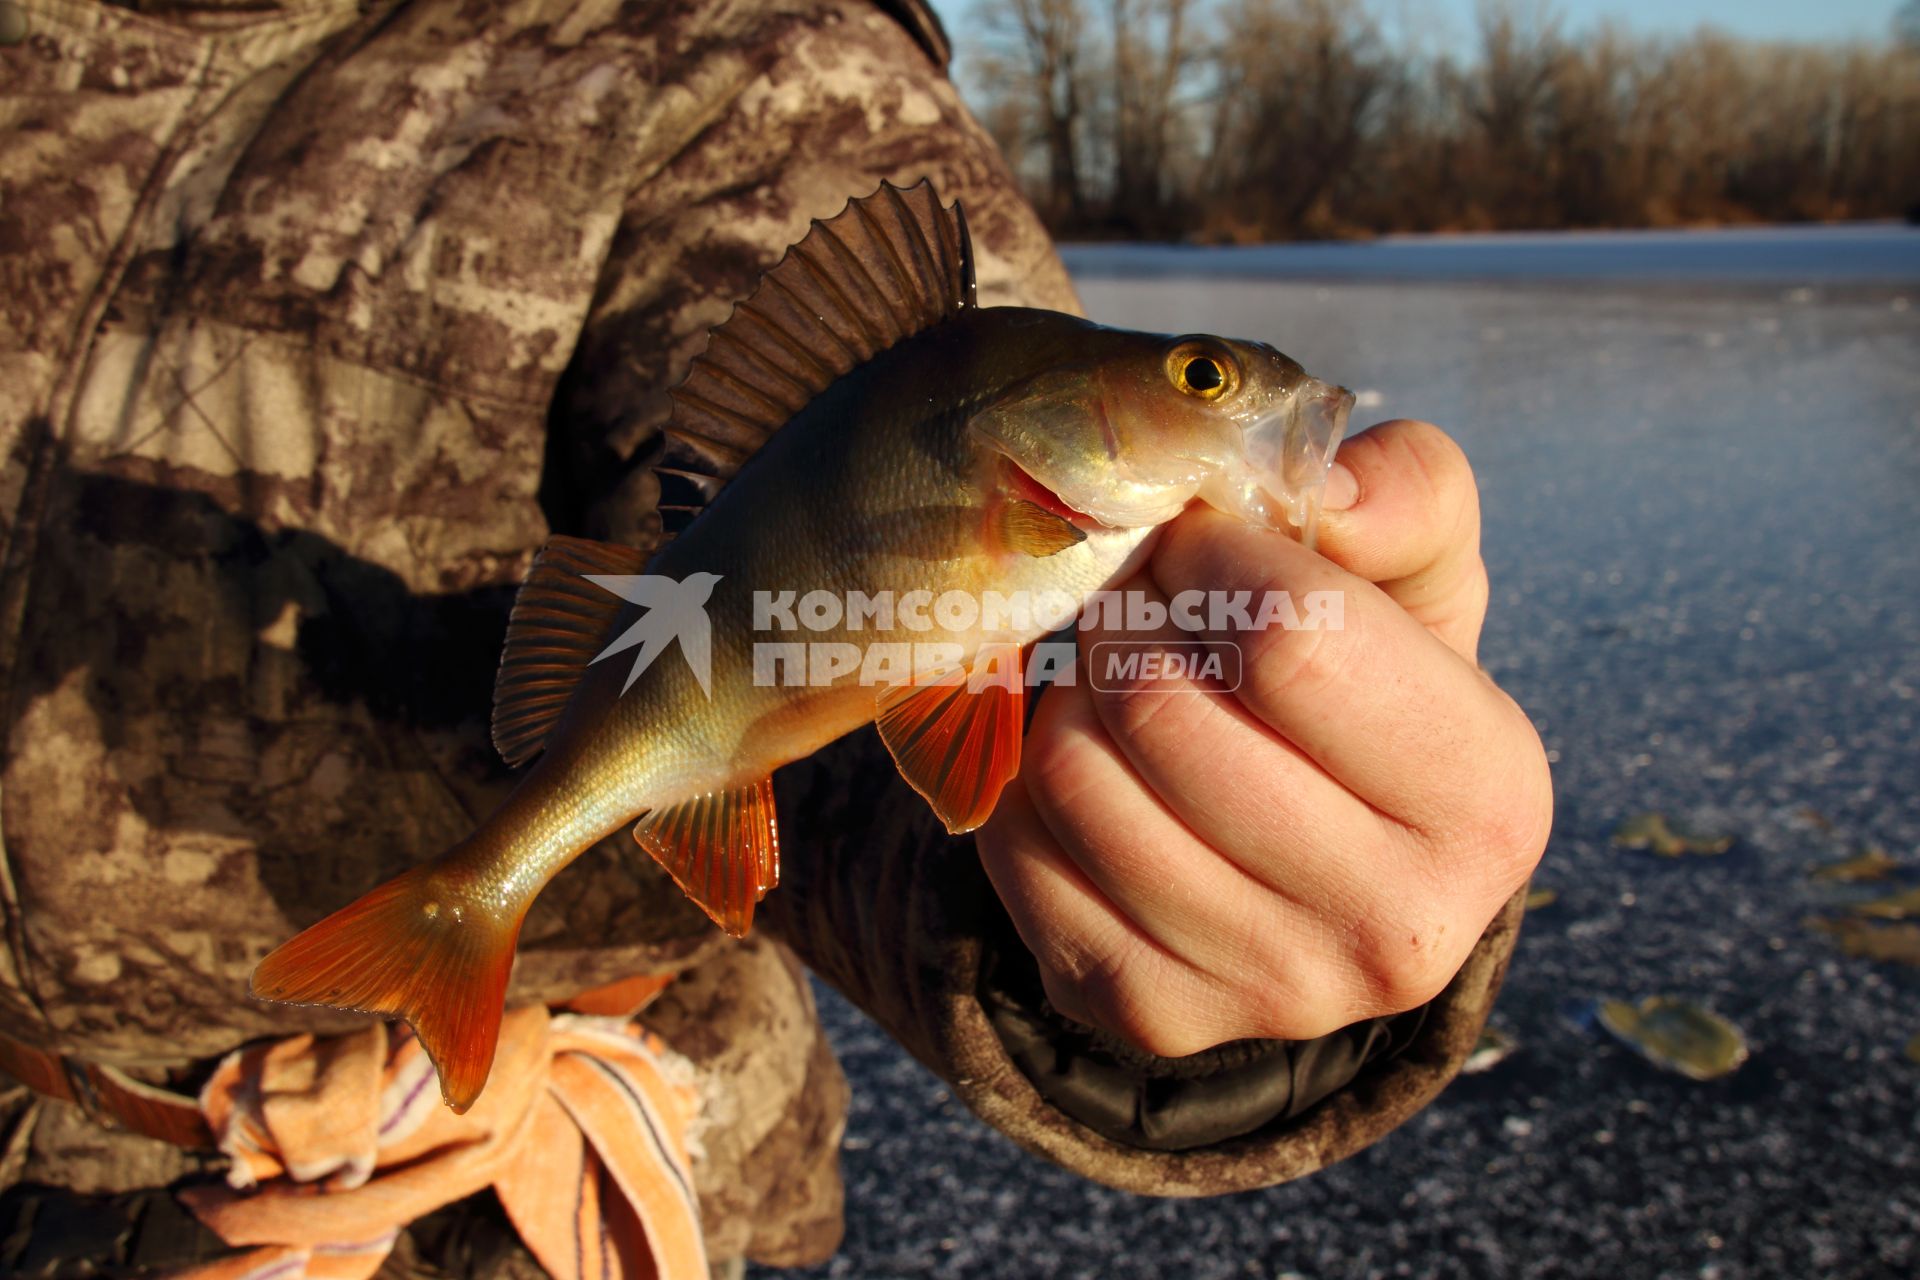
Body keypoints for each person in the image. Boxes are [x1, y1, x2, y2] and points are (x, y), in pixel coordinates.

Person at [0, 0, 1550, 1273]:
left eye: (1207, 378)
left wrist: (1171, 899)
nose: (1236, 395)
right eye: (1206, 378)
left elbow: (904, 807)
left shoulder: (738, 68)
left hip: (485, 1220)